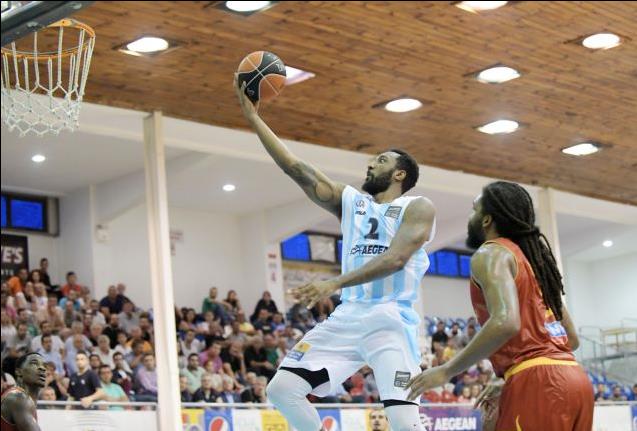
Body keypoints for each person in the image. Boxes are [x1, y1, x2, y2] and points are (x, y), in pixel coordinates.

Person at [235, 75, 436, 431]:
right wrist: (253, 118)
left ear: (399, 174)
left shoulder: (417, 207)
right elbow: (296, 168)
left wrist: (333, 284)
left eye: (381, 161)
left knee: (404, 423)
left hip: (390, 321)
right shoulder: (352, 202)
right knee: (282, 389)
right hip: (347, 318)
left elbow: (396, 259)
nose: (371, 165)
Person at [405, 181, 593, 431]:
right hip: (576, 380)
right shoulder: (536, 262)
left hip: (539, 383)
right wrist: (511, 374)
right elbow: (572, 339)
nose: (470, 216)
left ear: (486, 220)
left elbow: (506, 322)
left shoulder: (491, 253)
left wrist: (447, 370)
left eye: (474, 210)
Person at [1, 352, 46, 431]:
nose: (42, 368)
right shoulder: (18, 398)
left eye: (44, 365)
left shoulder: (22, 398)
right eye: (34, 363)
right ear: (18, 372)